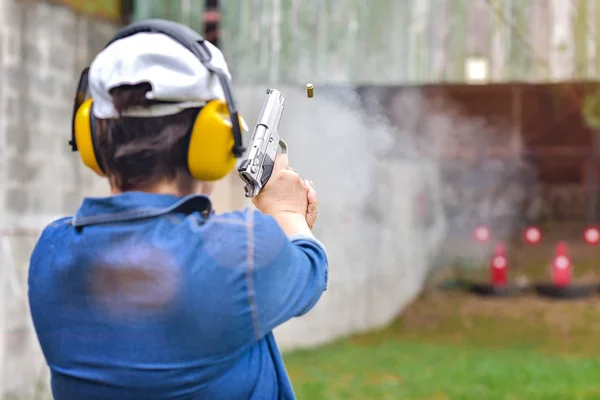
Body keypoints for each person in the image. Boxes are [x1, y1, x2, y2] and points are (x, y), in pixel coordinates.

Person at [28, 20, 328, 400]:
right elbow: (310, 269)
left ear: (92, 139)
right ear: (217, 139)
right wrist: (287, 212)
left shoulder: (51, 251)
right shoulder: (243, 250)